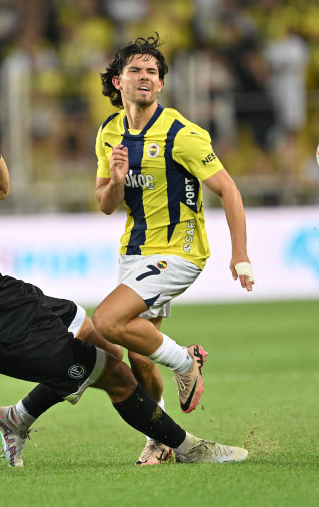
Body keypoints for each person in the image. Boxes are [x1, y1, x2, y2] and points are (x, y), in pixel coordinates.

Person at [0, 134, 248, 468]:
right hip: (6, 338)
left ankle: (16, 418)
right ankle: (187, 447)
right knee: (117, 377)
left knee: (108, 350)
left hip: (22, 302)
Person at [90, 33, 255, 464]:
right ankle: (160, 437)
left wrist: (241, 254)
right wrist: (118, 178)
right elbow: (105, 205)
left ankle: (187, 362)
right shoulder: (109, 133)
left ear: (161, 84)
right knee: (140, 358)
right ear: (116, 82)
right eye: (135, 70)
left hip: (180, 251)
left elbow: (229, 191)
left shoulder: (182, 133)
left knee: (106, 320)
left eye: (152, 72)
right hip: (134, 251)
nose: (145, 77)